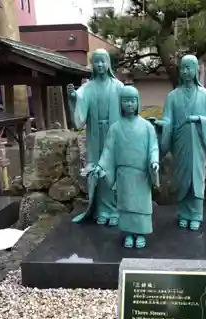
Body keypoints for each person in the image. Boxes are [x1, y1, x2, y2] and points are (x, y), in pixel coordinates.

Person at [150, 55, 206, 231]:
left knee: (196, 178)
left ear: (196, 70)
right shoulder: (173, 96)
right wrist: (160, 125)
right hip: (180, 143)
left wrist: (198, 120)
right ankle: (183, 213)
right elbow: (168, 120)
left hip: (197, 142)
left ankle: (195, 214)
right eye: (183, 68)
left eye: (190, 67)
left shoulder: (205, 96)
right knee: (181, 178)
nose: (186, 71)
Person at [93, 86, 159, 248]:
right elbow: (108, 150)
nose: (129, 104)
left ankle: (141, 233)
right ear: (120, 104)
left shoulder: (147, 127)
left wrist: (154, 161)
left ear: (138, 103)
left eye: (132, 101)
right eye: (126, 101)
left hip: (141, 174)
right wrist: (101, 166)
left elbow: (153, 147)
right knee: (125, 205)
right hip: (124, 174)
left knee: (141, 205)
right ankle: (129, 233)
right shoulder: (115, 128)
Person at [68, 49, 123, 226]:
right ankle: (101, 209)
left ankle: (115, 210)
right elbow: (80, 103)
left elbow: (129, 109)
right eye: (96, 62)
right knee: (97, 169)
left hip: (113, 133)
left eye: (103, 61)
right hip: (94, 135)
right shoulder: (88, 87)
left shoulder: (118, 86)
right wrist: (73, 98)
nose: (100, 65)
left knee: (112, 169)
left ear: (108, 64)